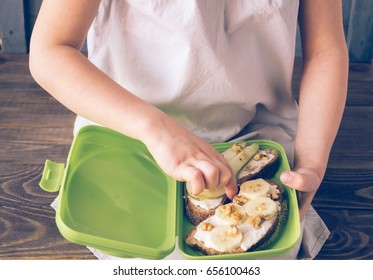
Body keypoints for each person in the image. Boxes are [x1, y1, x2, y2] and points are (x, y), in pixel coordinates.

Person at [29, 0, 348, 259]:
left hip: (256, 134)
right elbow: (50, 50)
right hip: (129, 137)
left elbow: (325, 50)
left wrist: (312, 159)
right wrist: (154, 128)